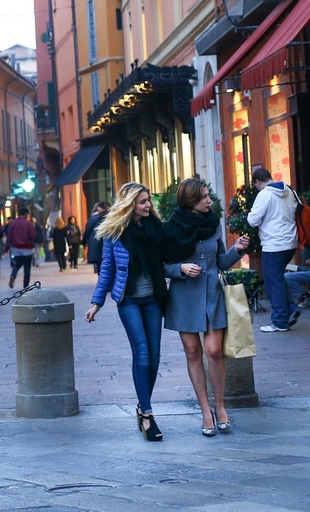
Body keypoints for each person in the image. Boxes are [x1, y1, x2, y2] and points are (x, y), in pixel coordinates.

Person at [163, 178, 250, 437]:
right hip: (184, 296)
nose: (209, 200)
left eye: (208, 195)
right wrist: (179, 268)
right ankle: (205, 411)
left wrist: (237, 250)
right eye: (204, 197)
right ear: (190, 201)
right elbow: (161, 265)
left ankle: (220, 407)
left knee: (213, 351)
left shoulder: (213, 224)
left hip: (212, 295)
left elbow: (221, 262)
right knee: (192, 352)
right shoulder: (171, 229)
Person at [84, 182, 166, 442]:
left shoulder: (155, 228)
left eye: (148, 200)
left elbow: (168, 257)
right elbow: (107, 268)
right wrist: (97, 302)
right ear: (130, 204)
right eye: (142, 201)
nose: (148, 205)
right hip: (128, 300)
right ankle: (148, 415)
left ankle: (143, 406)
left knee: (154, 356)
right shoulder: (114, 232)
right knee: (141, 352)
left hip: (153, 298)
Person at [247, 168, 299, 332]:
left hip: (273, 245)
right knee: (278, 278)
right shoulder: (289, 190)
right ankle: (291, 308)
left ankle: (279, 321)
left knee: (272, 282)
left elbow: (253, 220)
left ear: (257, 182)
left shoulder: (264, 194)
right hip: (291, 243)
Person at [5, 207, 36, 288]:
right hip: (27, 248)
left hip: (16, 248)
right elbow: (33, 236)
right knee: (27, 268)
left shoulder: (13, 223)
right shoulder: (28, 224)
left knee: (17, 265)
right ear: (26, 214)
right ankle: (25, 285)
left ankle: (13, 276)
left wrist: (7, 247)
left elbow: (9, 236)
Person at [83, 201, 111, 273]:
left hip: (97, 245)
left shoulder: (94, 218)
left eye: (99, 207)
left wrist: (83, 242)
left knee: (100, 266)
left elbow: (87, 231)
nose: (97, 208)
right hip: (105, 246)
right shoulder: (111, 218)